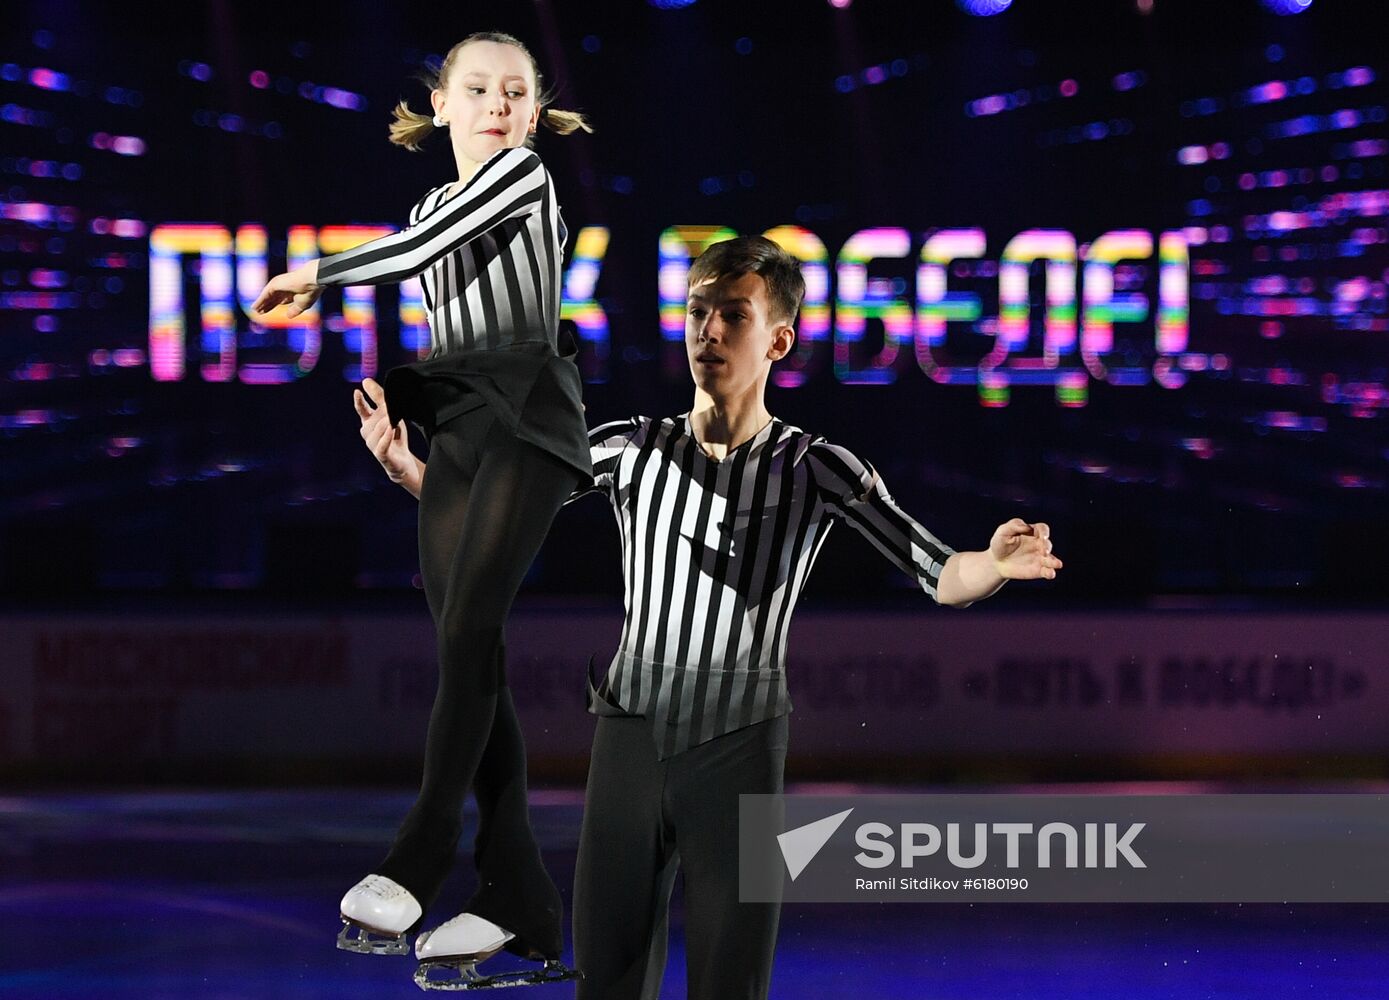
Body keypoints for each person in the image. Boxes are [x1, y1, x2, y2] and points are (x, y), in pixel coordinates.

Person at [357, 235, 1063, 998]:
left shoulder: (818, 468)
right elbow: (494, 520)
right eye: (698, 312)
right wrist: (411, 471)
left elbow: (939, 572)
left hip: (739, 754)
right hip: (628, 738)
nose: (709, 331)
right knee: (606, 980)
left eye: (733, 315)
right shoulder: (628, 447)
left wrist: (992, 564)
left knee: (731, 982)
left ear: (778, 340)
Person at [254, 31, 590, 989]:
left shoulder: (521, 176)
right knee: (465, 649)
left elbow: (426, 248)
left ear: (532, 114)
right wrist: (415, 462)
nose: (497, 103)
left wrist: (315, 274)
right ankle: (520, 901)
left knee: (474, 624)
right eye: (476, 88)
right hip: (457, 426)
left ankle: (420, 850)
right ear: (439, 104)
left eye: (514, 91)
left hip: (526, 412)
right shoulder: (433, 195)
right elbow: (431, 231)